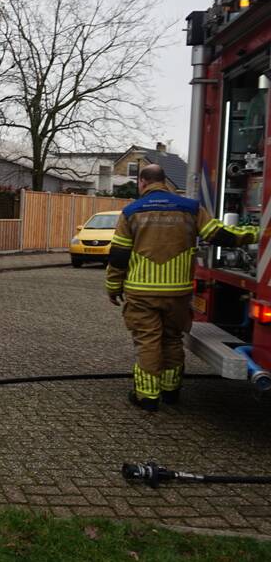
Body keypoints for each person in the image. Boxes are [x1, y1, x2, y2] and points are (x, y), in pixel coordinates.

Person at [106, 164, 258, 411]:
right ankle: (171, 391)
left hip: (141, 293)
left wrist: (113, 287)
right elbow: (220, 235)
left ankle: (147, 396)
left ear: (142, 182)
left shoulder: (131, 212)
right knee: (172, 339)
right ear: (164, 181)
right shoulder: (190, 208)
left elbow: (119, 255)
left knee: (148, 341)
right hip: (177, 292)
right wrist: (257, 233)